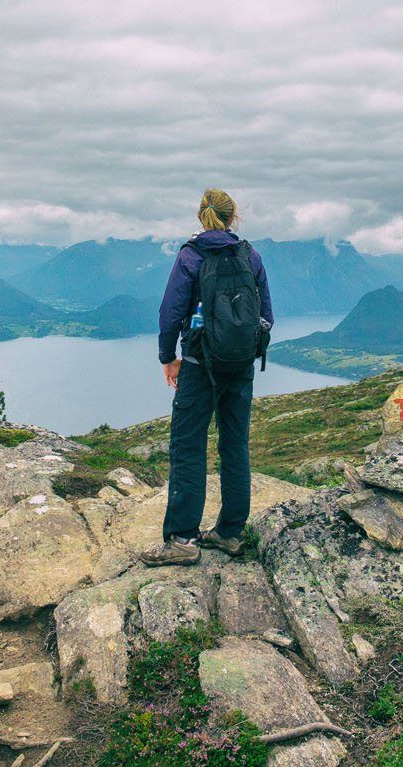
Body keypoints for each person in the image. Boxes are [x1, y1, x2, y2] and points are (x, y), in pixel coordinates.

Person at [140, 188, 273, 566]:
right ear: (233, 218)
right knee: (235, 446)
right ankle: (230, 533)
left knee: (188, 448)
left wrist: (169, 357)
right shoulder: (251, 256)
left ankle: (182, 539)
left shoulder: (191, 256)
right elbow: (267, 315)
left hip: (199, 367)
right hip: (241, 367)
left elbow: (170, 312)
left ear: (201, 217)